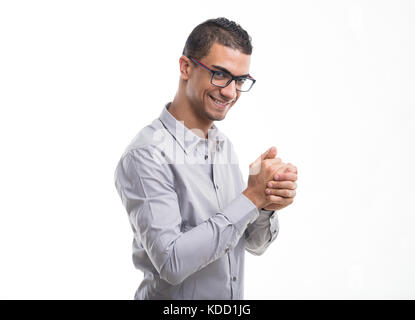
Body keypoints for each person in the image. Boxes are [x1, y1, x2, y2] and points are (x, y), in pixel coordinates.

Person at [114, 17, 298, 300]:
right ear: (185, 67)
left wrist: (264, 204)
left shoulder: (224, 146)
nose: (230, 92)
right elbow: (171, 263)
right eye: (220, 74)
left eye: (240, 80)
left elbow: (253, 244)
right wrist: (250, 198)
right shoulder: (146, 155)